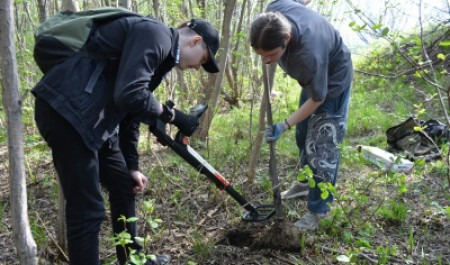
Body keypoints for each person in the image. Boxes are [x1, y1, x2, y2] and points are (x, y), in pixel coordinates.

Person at [32, 10, 220, 265]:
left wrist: (131, 166)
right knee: (87, 211)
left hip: (93, 120)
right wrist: (172, 115)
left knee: (123, 185)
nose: (198, 66)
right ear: (195, 41)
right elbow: (129, 94)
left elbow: (131, 112)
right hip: (68, 114)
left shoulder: (161, 53)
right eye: (204, 59)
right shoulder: (156, 35)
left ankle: (133, 260)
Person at [250, 0, 353, 232]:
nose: (266, 61)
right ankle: (305, 183)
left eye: (271, 55)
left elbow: (318, 98)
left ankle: (319, 211)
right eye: (261, 55)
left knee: (321, 148)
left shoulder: (307, 56)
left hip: (332, 81)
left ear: (286, 38)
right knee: (303, 134)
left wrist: (284, 124)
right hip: (314, 79)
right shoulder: (275, 11)